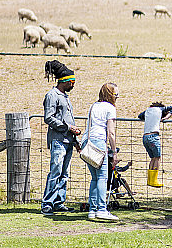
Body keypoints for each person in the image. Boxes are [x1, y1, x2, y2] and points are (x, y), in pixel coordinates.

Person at [41, 60, 82, 216]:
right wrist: (68, 128)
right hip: (58, 140)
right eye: (72, 82)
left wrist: (75, 139)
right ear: (65, 81)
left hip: (68, 140)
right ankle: (47, 203)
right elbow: (49, 118)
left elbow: (67, 119)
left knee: (64, 174)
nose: (73, 85)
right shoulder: (52, 96)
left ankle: (59, 202)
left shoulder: (65, 96)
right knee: (55, 171)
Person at [81, 82, 120, 221]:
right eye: (116, 94)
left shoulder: (94, 105)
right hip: (98, 142)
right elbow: (111, 133)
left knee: (95, 178)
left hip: (87, 141)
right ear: (110, 94)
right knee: (103, 177)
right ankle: (102, 209)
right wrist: (114, 152)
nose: (117, 97)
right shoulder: (110, 108)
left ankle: (92, 210)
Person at [138, 102, 172, 187]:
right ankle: (154, 180)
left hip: (145, 137)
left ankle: (150, 180)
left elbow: (140, 116)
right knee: (157, 158)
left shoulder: (147, 111)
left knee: (153, 158)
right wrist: (166, 117)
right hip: (153, 136)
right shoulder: (160, 109)